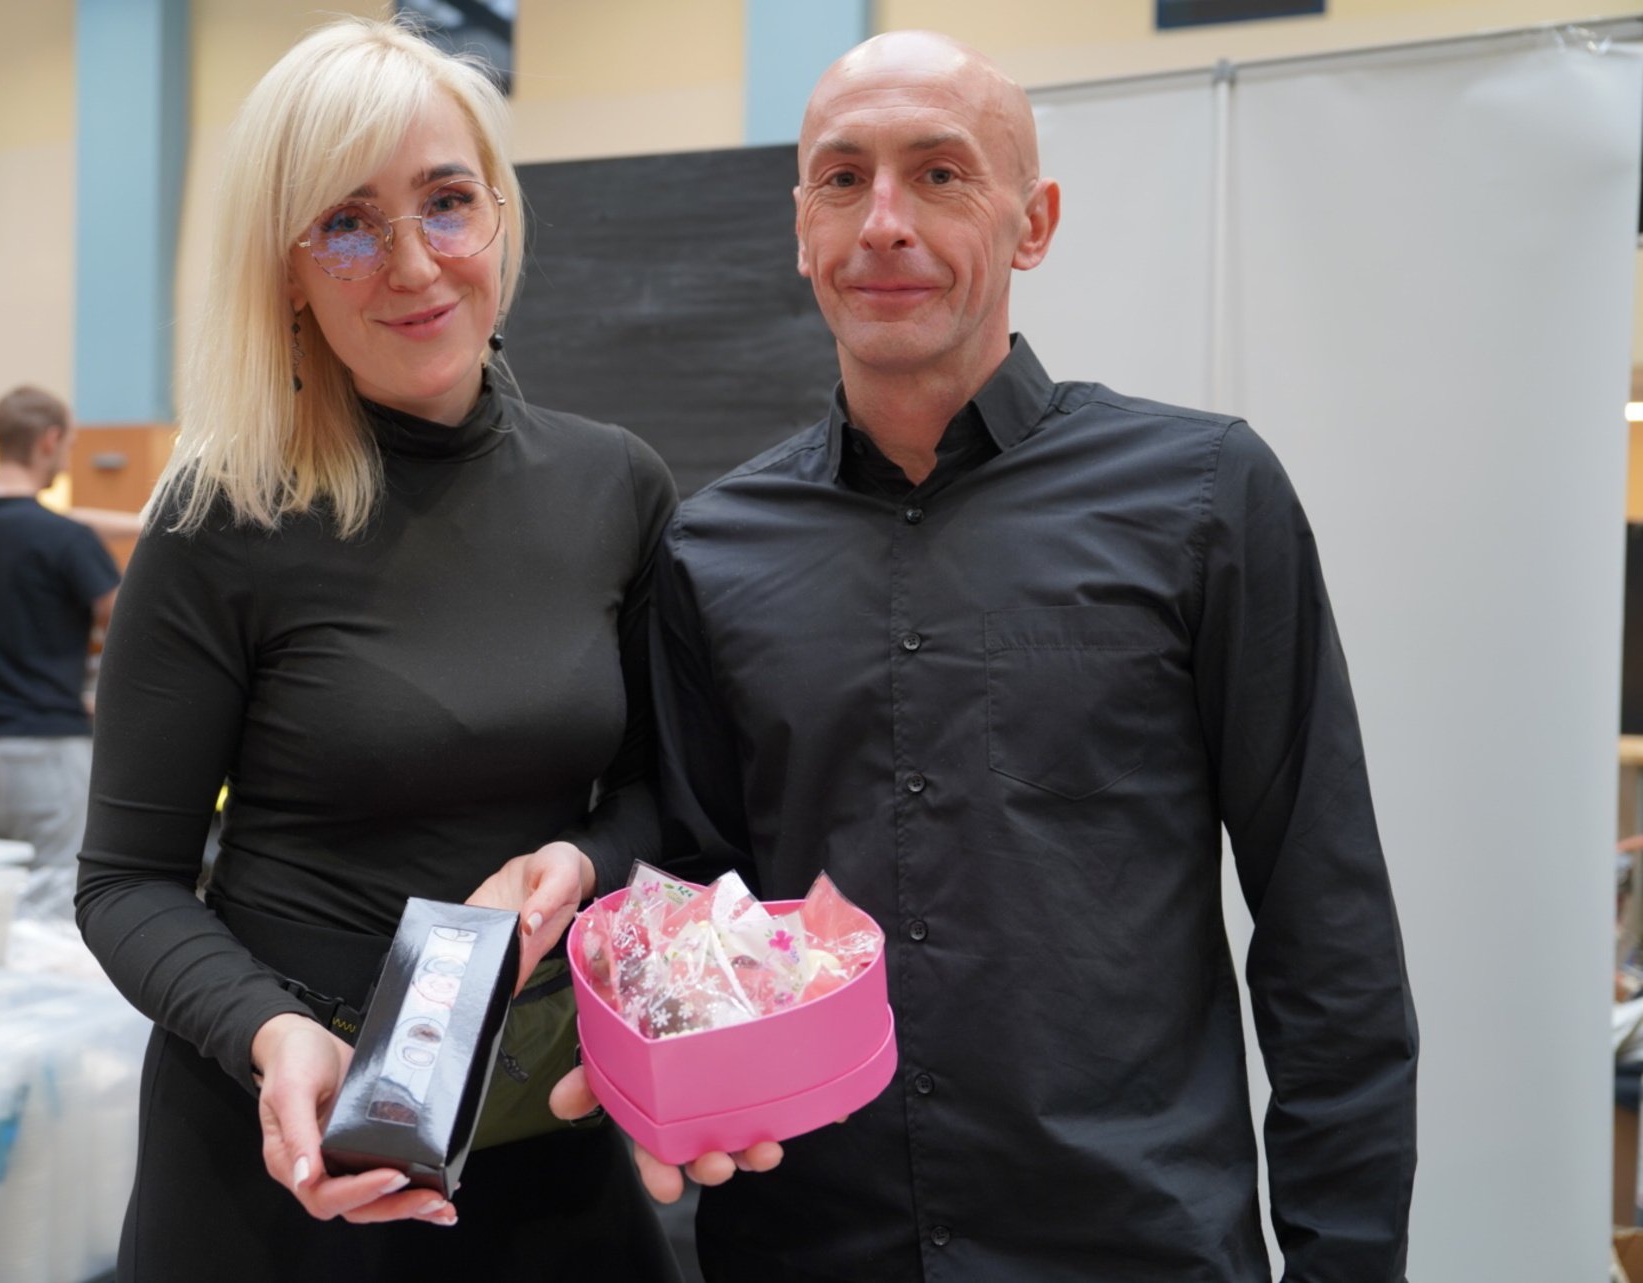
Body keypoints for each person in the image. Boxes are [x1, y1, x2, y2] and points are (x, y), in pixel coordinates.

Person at [553, 30, 1418, 1283]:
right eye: (842, 178)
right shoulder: (711, 551)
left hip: (1132, 1248)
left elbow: (1323, 924)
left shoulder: (1204, 499)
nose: (883, 222)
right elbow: (699, 900)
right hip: (812, 1248)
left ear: (1033, 223)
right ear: (800, 228)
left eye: (940, 173)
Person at [73, 17, 679, 1283]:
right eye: (348, 224)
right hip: (290, 1143)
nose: (413, 263)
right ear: (288, 271)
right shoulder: (220, 514)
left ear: (499, 213)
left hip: (543, 1121)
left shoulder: (614, 484)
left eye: (447, 202)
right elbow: (126, 880)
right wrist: (268, 1032)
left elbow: (661, 795)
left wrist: (582, 859)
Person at [0, 386, 119, 880]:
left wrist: (132, 523)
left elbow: (31, 521)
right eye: (70, 445)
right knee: (57, 901)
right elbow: (125, 626)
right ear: (49, 440)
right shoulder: (68, 541)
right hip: (47, 746)